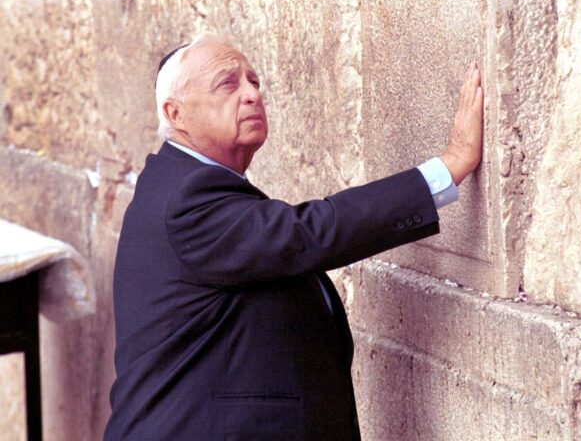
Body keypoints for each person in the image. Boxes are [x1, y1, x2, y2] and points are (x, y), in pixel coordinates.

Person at [104, 33, 483, 440]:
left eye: (254, 81)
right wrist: (448, 167)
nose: (251, 94)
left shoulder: (181, 184)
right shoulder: (186, 198)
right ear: (175, 114)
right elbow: (305, 234)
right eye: (227, 84)